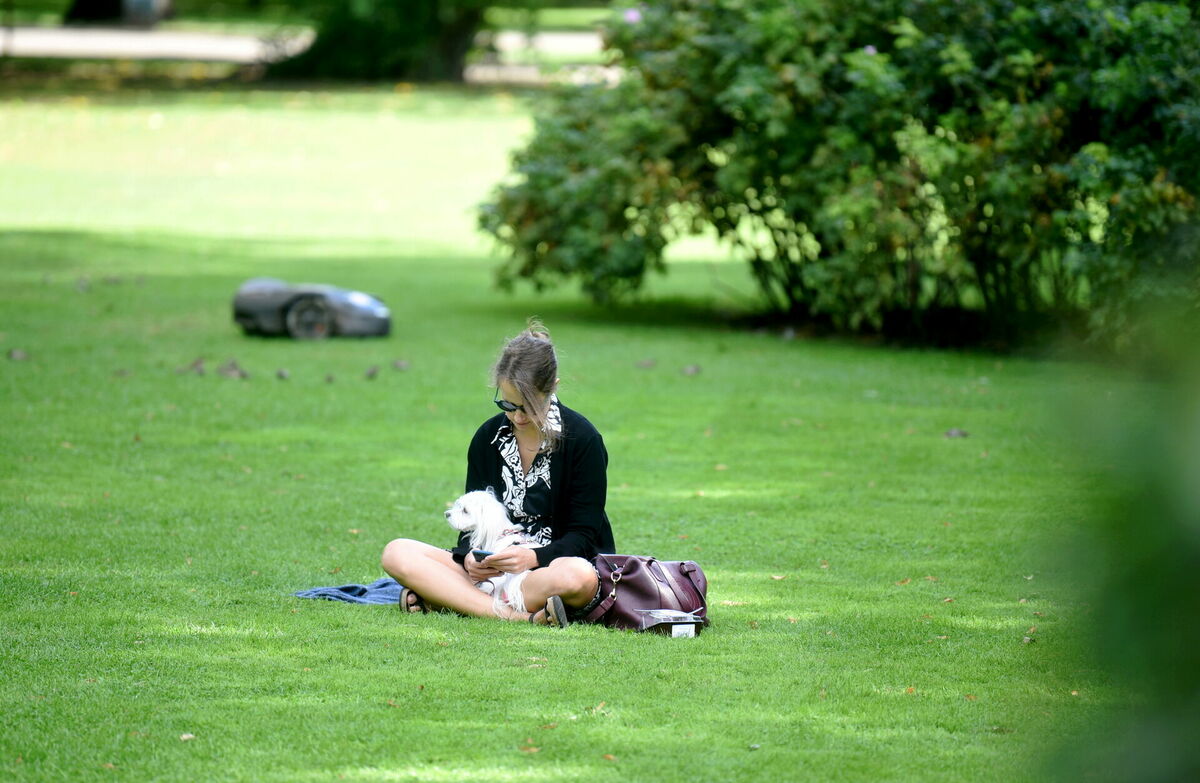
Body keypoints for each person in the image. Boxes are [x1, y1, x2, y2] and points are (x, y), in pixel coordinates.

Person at [380, 321, 615, 627]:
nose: (517, 416)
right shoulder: (487, 439)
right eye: (507, 404)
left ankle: (450, 599)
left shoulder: (583, 440)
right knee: (397, 552)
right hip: (493, 573)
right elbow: (471, 521)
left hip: (548, 571)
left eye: (529, 406)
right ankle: (516, 615)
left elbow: (583, 536)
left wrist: (533, 558)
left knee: (578, 577)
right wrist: (469, 558)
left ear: (553, 386)